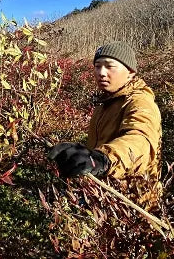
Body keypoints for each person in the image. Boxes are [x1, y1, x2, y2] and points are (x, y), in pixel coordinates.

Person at [48, 41, 162, 208]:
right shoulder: (105, 103)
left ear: (130, 73)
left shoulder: (140, 101)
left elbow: (141, 141)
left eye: (109, 66)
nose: (101, 73)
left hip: (133, 206)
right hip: (105, 198)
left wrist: (102, 159)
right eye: (97, 66)